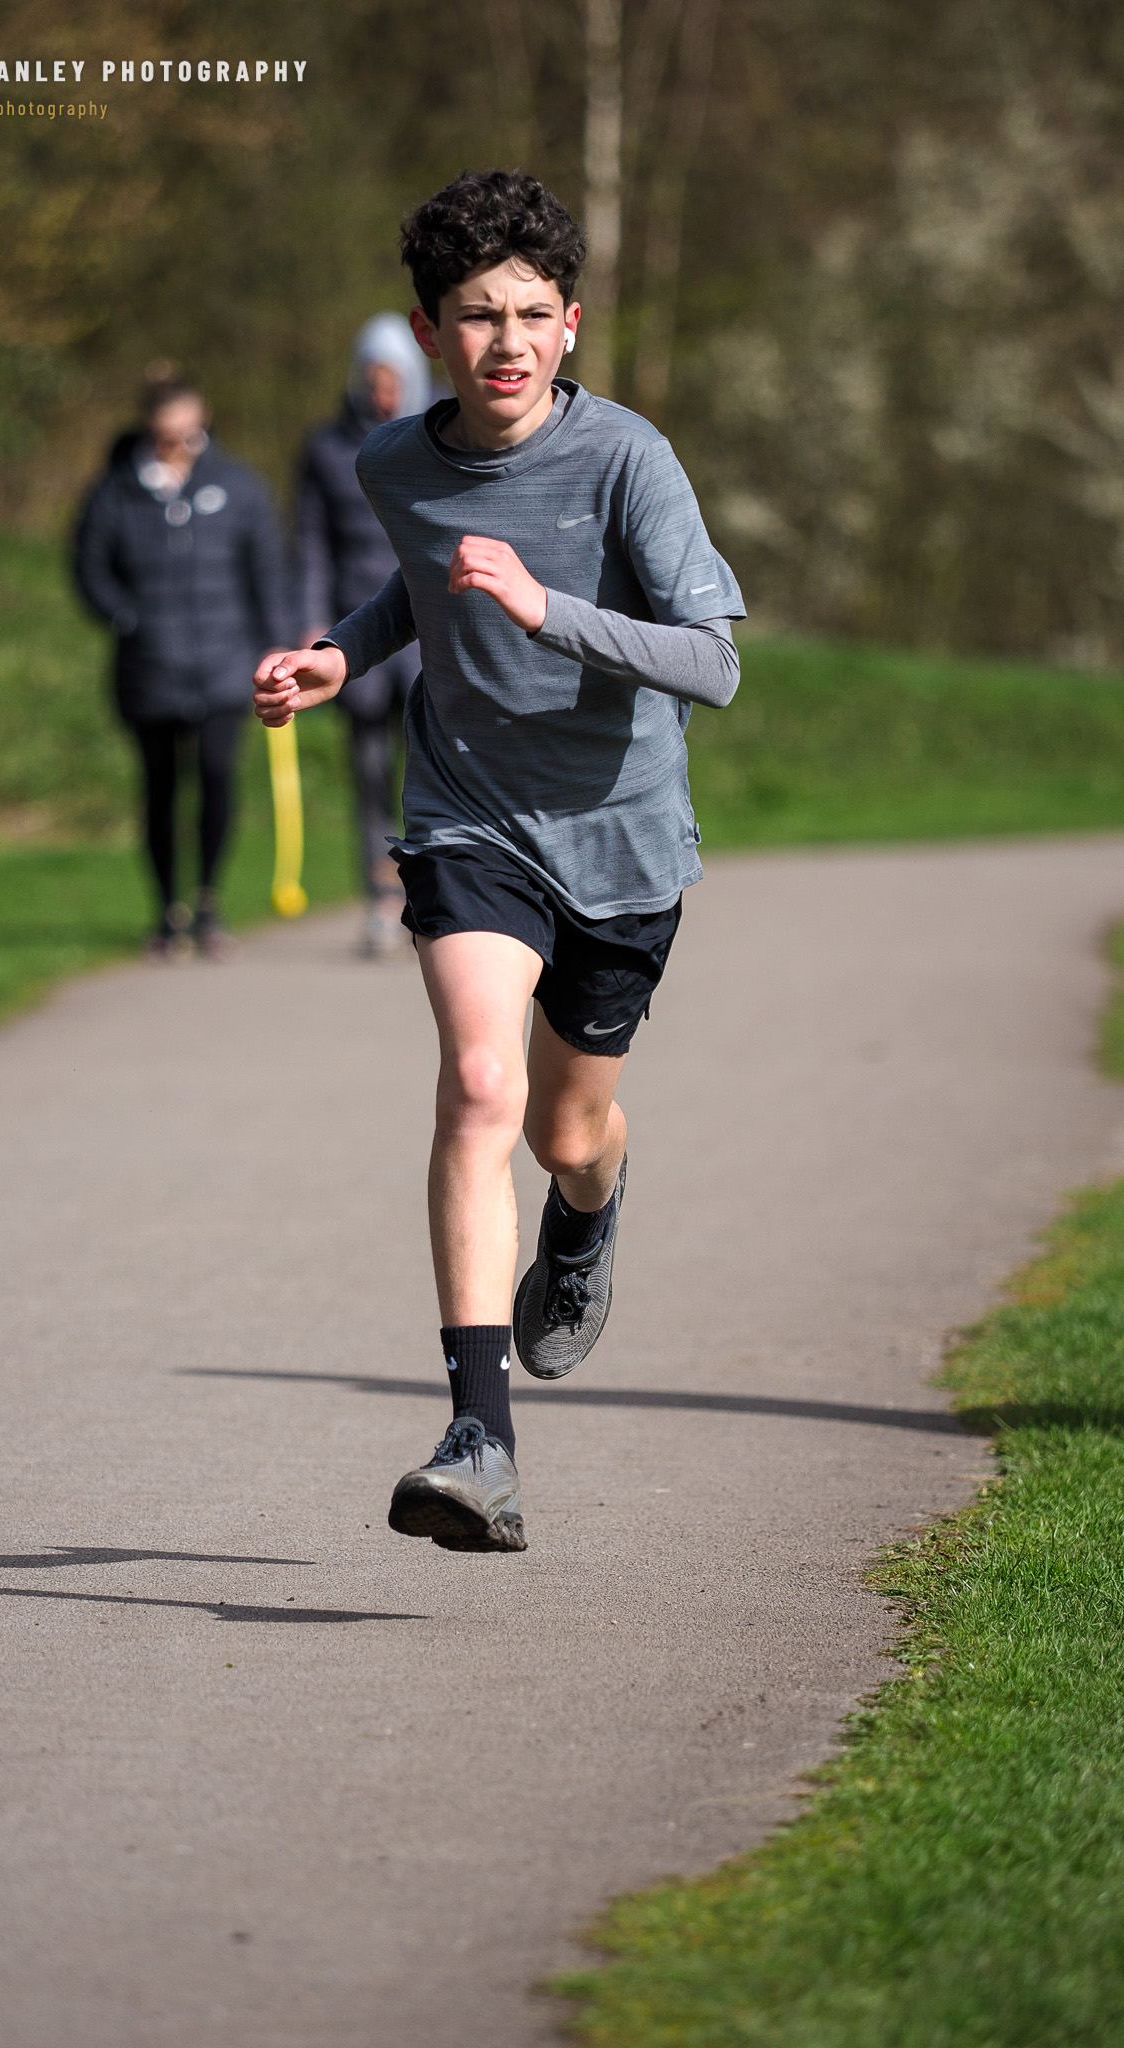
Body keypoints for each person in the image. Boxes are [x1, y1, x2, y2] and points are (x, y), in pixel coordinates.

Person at [254, 171, 744, 1552]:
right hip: (468, 815)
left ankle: (587, 1221)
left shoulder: (629, 461)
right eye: (476, 316)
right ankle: (480, 1437)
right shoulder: (392, 463)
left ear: (572, 324)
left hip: (623, 841)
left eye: (532, 313)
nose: (507, 342)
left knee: (563, 1132)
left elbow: (714, 663)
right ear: (427, 330)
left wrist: (548, 609)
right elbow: (420, 578)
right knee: (476, 1083)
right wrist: (340, 652)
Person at [73, 366, 286, 958]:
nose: (178, 442)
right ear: (150, 428)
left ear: (203, 421)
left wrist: (279, 643)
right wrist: (125, 616)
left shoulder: (239, 486)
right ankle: (168, 909)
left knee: (217, 777)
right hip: (150, 666)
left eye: (187, 429)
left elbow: (267, 568)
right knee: (161, 789)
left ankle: (210, 902)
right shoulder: (115, 489)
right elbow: (89, 566)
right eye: (167, 432)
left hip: (225, 663)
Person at [296, 314, 432, 956]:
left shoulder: (439, 439)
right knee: (370, 771)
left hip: (424, 629)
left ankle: (427, 893)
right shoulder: (325, 450)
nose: (384, 394)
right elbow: (310, 546)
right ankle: (379, 896)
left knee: (426, 772)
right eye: (374, 381)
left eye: (394, 381)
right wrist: (311, 622)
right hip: (355, 634)